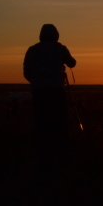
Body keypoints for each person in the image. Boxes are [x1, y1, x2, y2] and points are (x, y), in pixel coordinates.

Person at [23, 24, 77, 156]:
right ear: (56, 35)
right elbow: (72, 63)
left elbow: (26, 72)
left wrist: (36, 81)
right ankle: (61, 149)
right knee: (59, 120)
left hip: (38, 92)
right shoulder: (59, 49)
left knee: (41, 120)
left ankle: (43, 149)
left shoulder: (32, 50)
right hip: (56, 91)